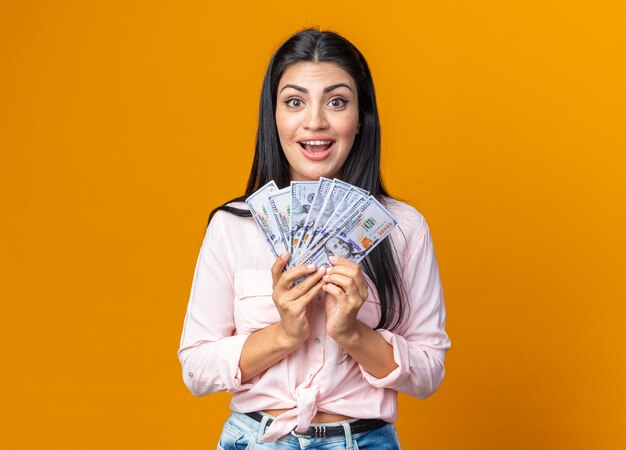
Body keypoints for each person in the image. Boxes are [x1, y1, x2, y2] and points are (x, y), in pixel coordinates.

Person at [177, 28, 451, 449]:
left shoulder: (403, 228)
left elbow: (429, 372)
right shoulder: (233, 226)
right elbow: (195, 369)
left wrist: (354, 333)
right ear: (275, 117)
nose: (315, 121)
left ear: (361, 119)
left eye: (337, 101)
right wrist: (284, 334)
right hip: (256, 440)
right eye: (294, 101)